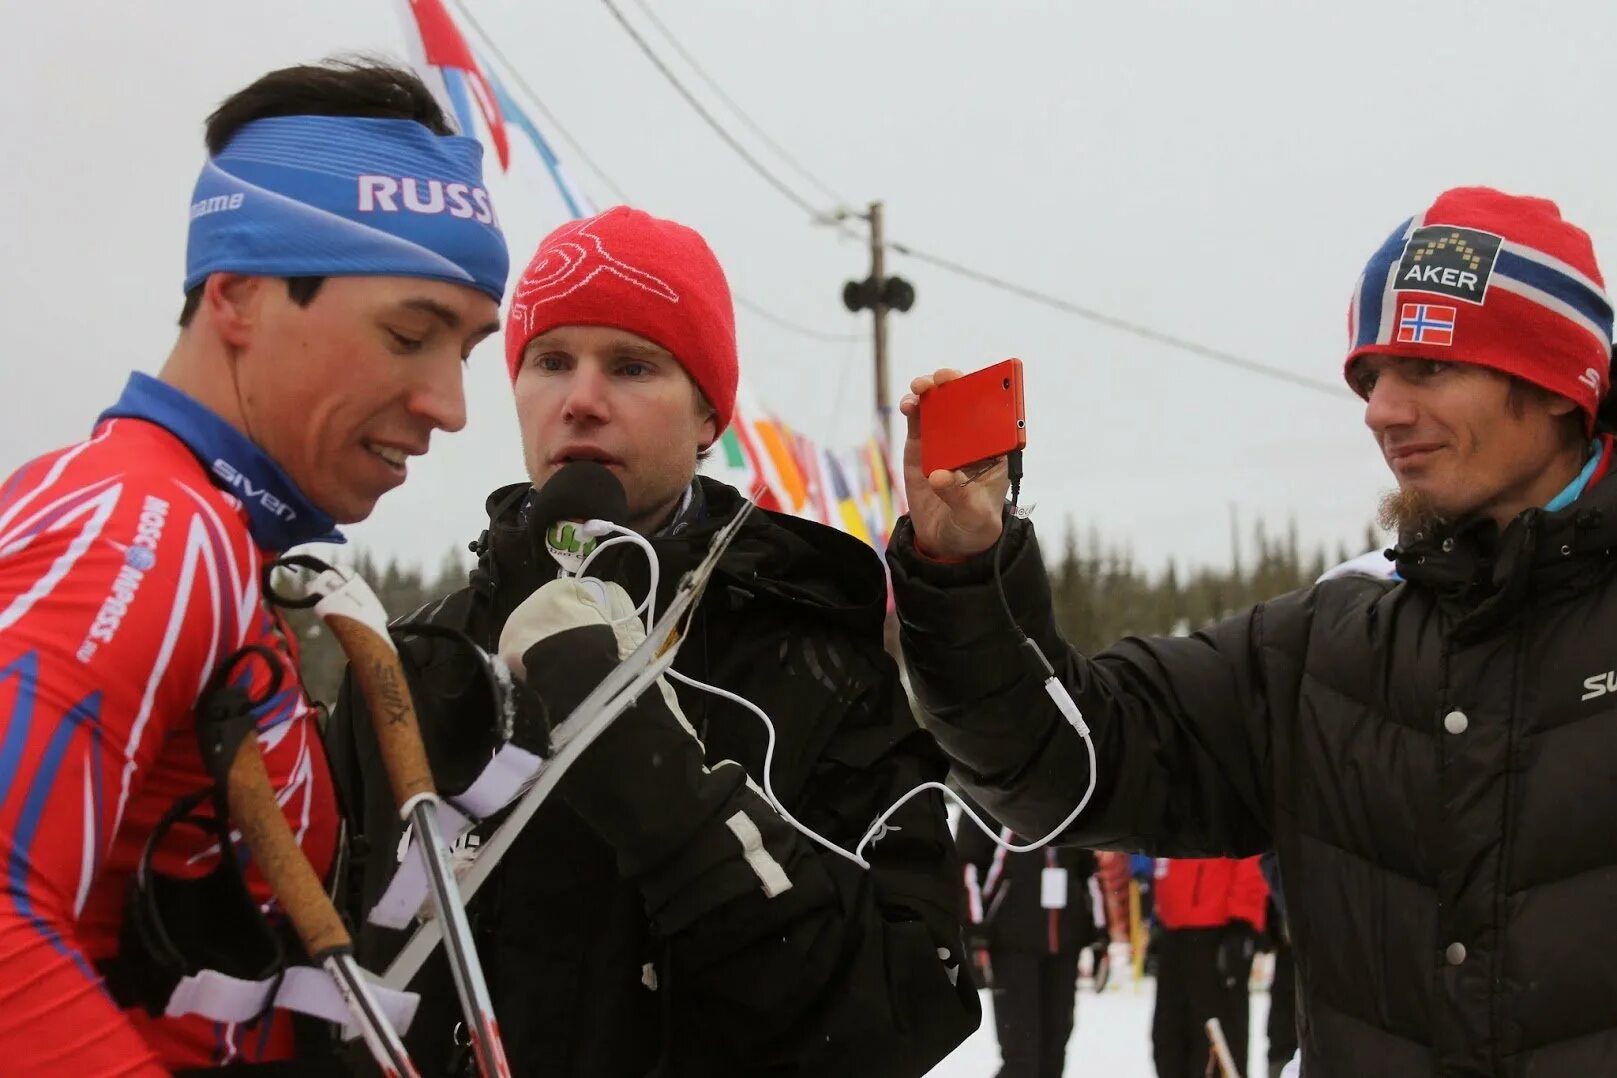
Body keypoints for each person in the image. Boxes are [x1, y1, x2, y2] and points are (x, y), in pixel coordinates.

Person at [886, 186, 1617, 1076]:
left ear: (1553, 387)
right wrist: (964, 570)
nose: (1379, 411)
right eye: (1368, 377)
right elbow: (1057, 768)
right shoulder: (1322, 650)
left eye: (1426, 369)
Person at [327, 205, 980, 1076]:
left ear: (709, 417)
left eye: (633, 366)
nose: (582, 400)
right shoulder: (415, 660)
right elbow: (314, 980)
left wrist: (644, 762)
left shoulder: (816, 663)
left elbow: (907, 1013)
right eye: (550, 361)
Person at [0, 59, 507, 1074]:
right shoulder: (145, 527)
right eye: (410, 334)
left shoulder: (209, 540)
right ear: (237, 296)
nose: (450, 404)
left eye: (467, 348)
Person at [957, 796, 1110, 1078]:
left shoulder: (1070, 791)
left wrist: (1101, 935)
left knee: (1054, 1056)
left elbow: (1088, 870)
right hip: (1011, 944)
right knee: (1021, 1059)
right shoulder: (989, 790)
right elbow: (967, 866)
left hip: (1065, 945)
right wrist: (974, 932)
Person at [1147, 857, 1267, 1078]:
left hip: (1218, 931)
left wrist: (1243, 919)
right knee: (1169, 1039)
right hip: (1173, 928)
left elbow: (1250, 850)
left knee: (1217, 1041)